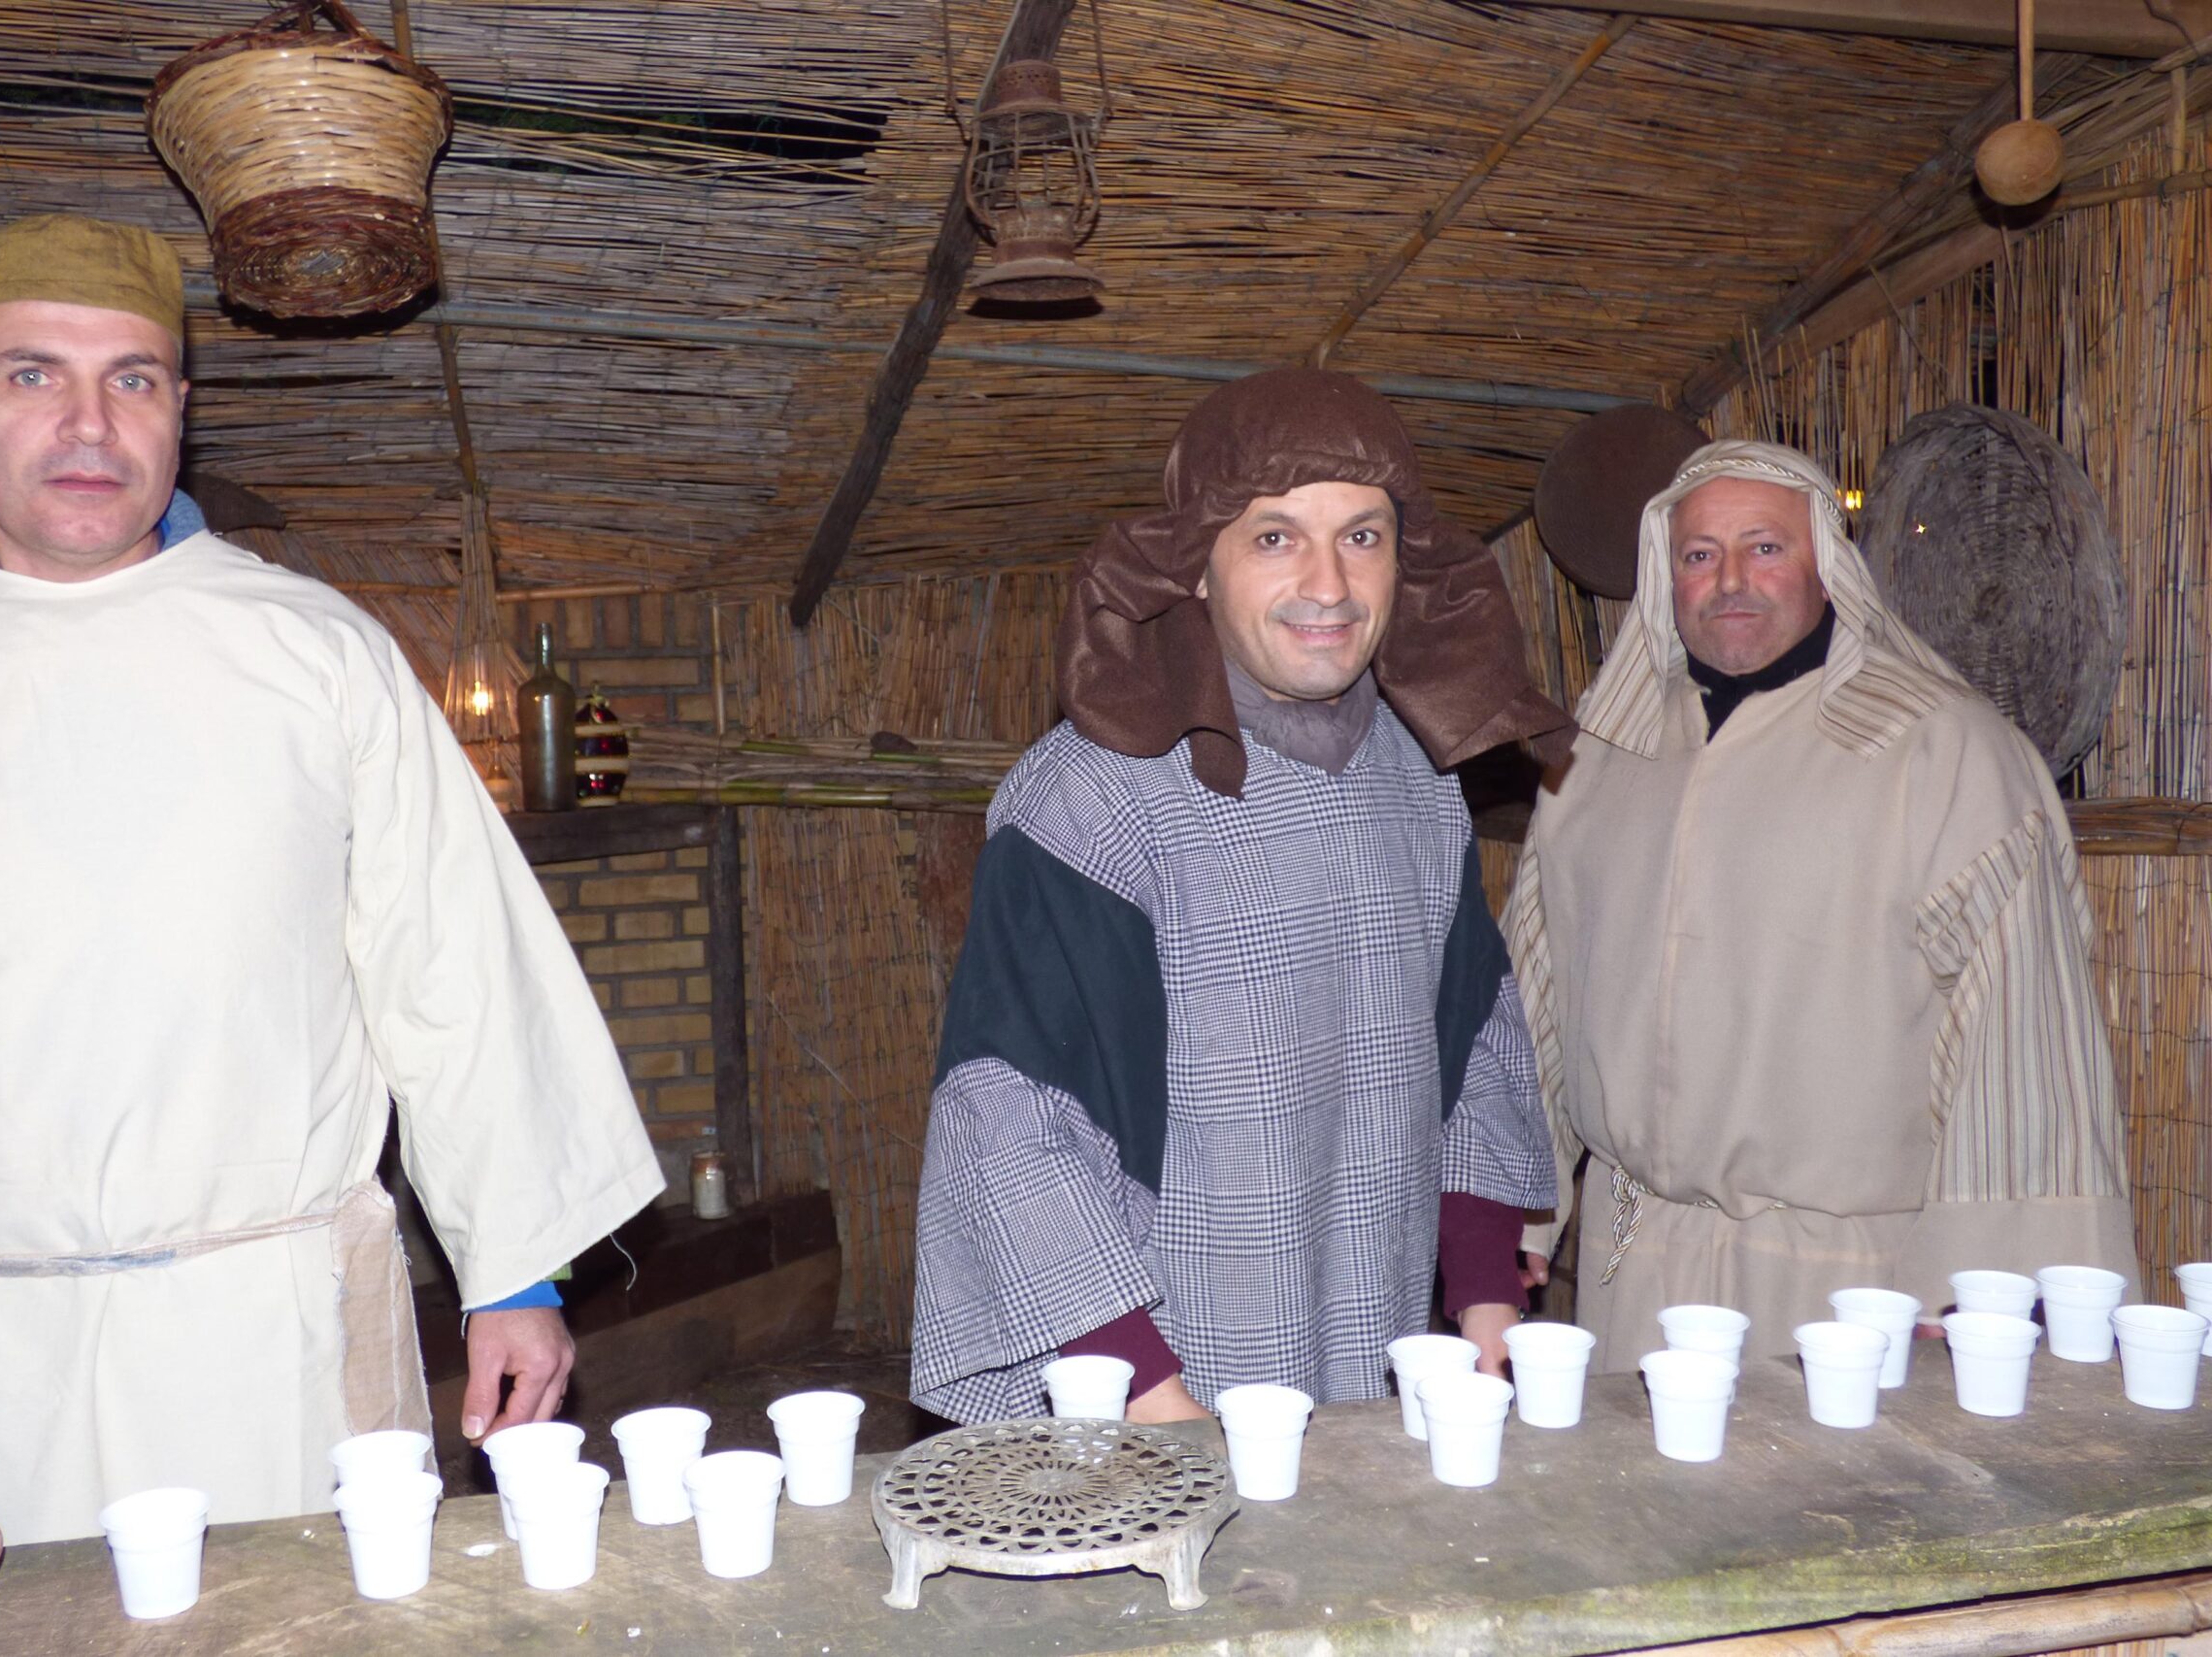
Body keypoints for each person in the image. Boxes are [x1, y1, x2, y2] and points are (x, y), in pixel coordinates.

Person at [0, 215, 663, 1541]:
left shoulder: (313, 652)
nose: (90, 425)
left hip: (274, 1334)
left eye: (134, 378)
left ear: (180, 408)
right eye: (31, 375)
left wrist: (513, 1273)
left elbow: (451, 963)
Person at [910, 368, 1572, 1424]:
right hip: (1166, 1374)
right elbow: (1009, 1109)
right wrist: (1142, 1383)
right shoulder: (1093, 799)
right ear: (1194, 567)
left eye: (1362, 537)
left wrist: (1485, 1284)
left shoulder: (1416, 777)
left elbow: (1469, 1032)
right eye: (1274, 538)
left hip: (1372, 1343)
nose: (1328, 584)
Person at [1506, 440, 2139, 1369]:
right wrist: (1512, 1205)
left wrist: (1981, 1283)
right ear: (1665, 576)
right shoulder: (1604, 760)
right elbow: (1536, 992)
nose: (1730, 579)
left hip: (1853, 1287)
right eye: (1699, 554)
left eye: (1764, 548)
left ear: (1827, 566)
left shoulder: (1941, 752)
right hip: (1635, 1262)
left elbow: (2022, 1030)